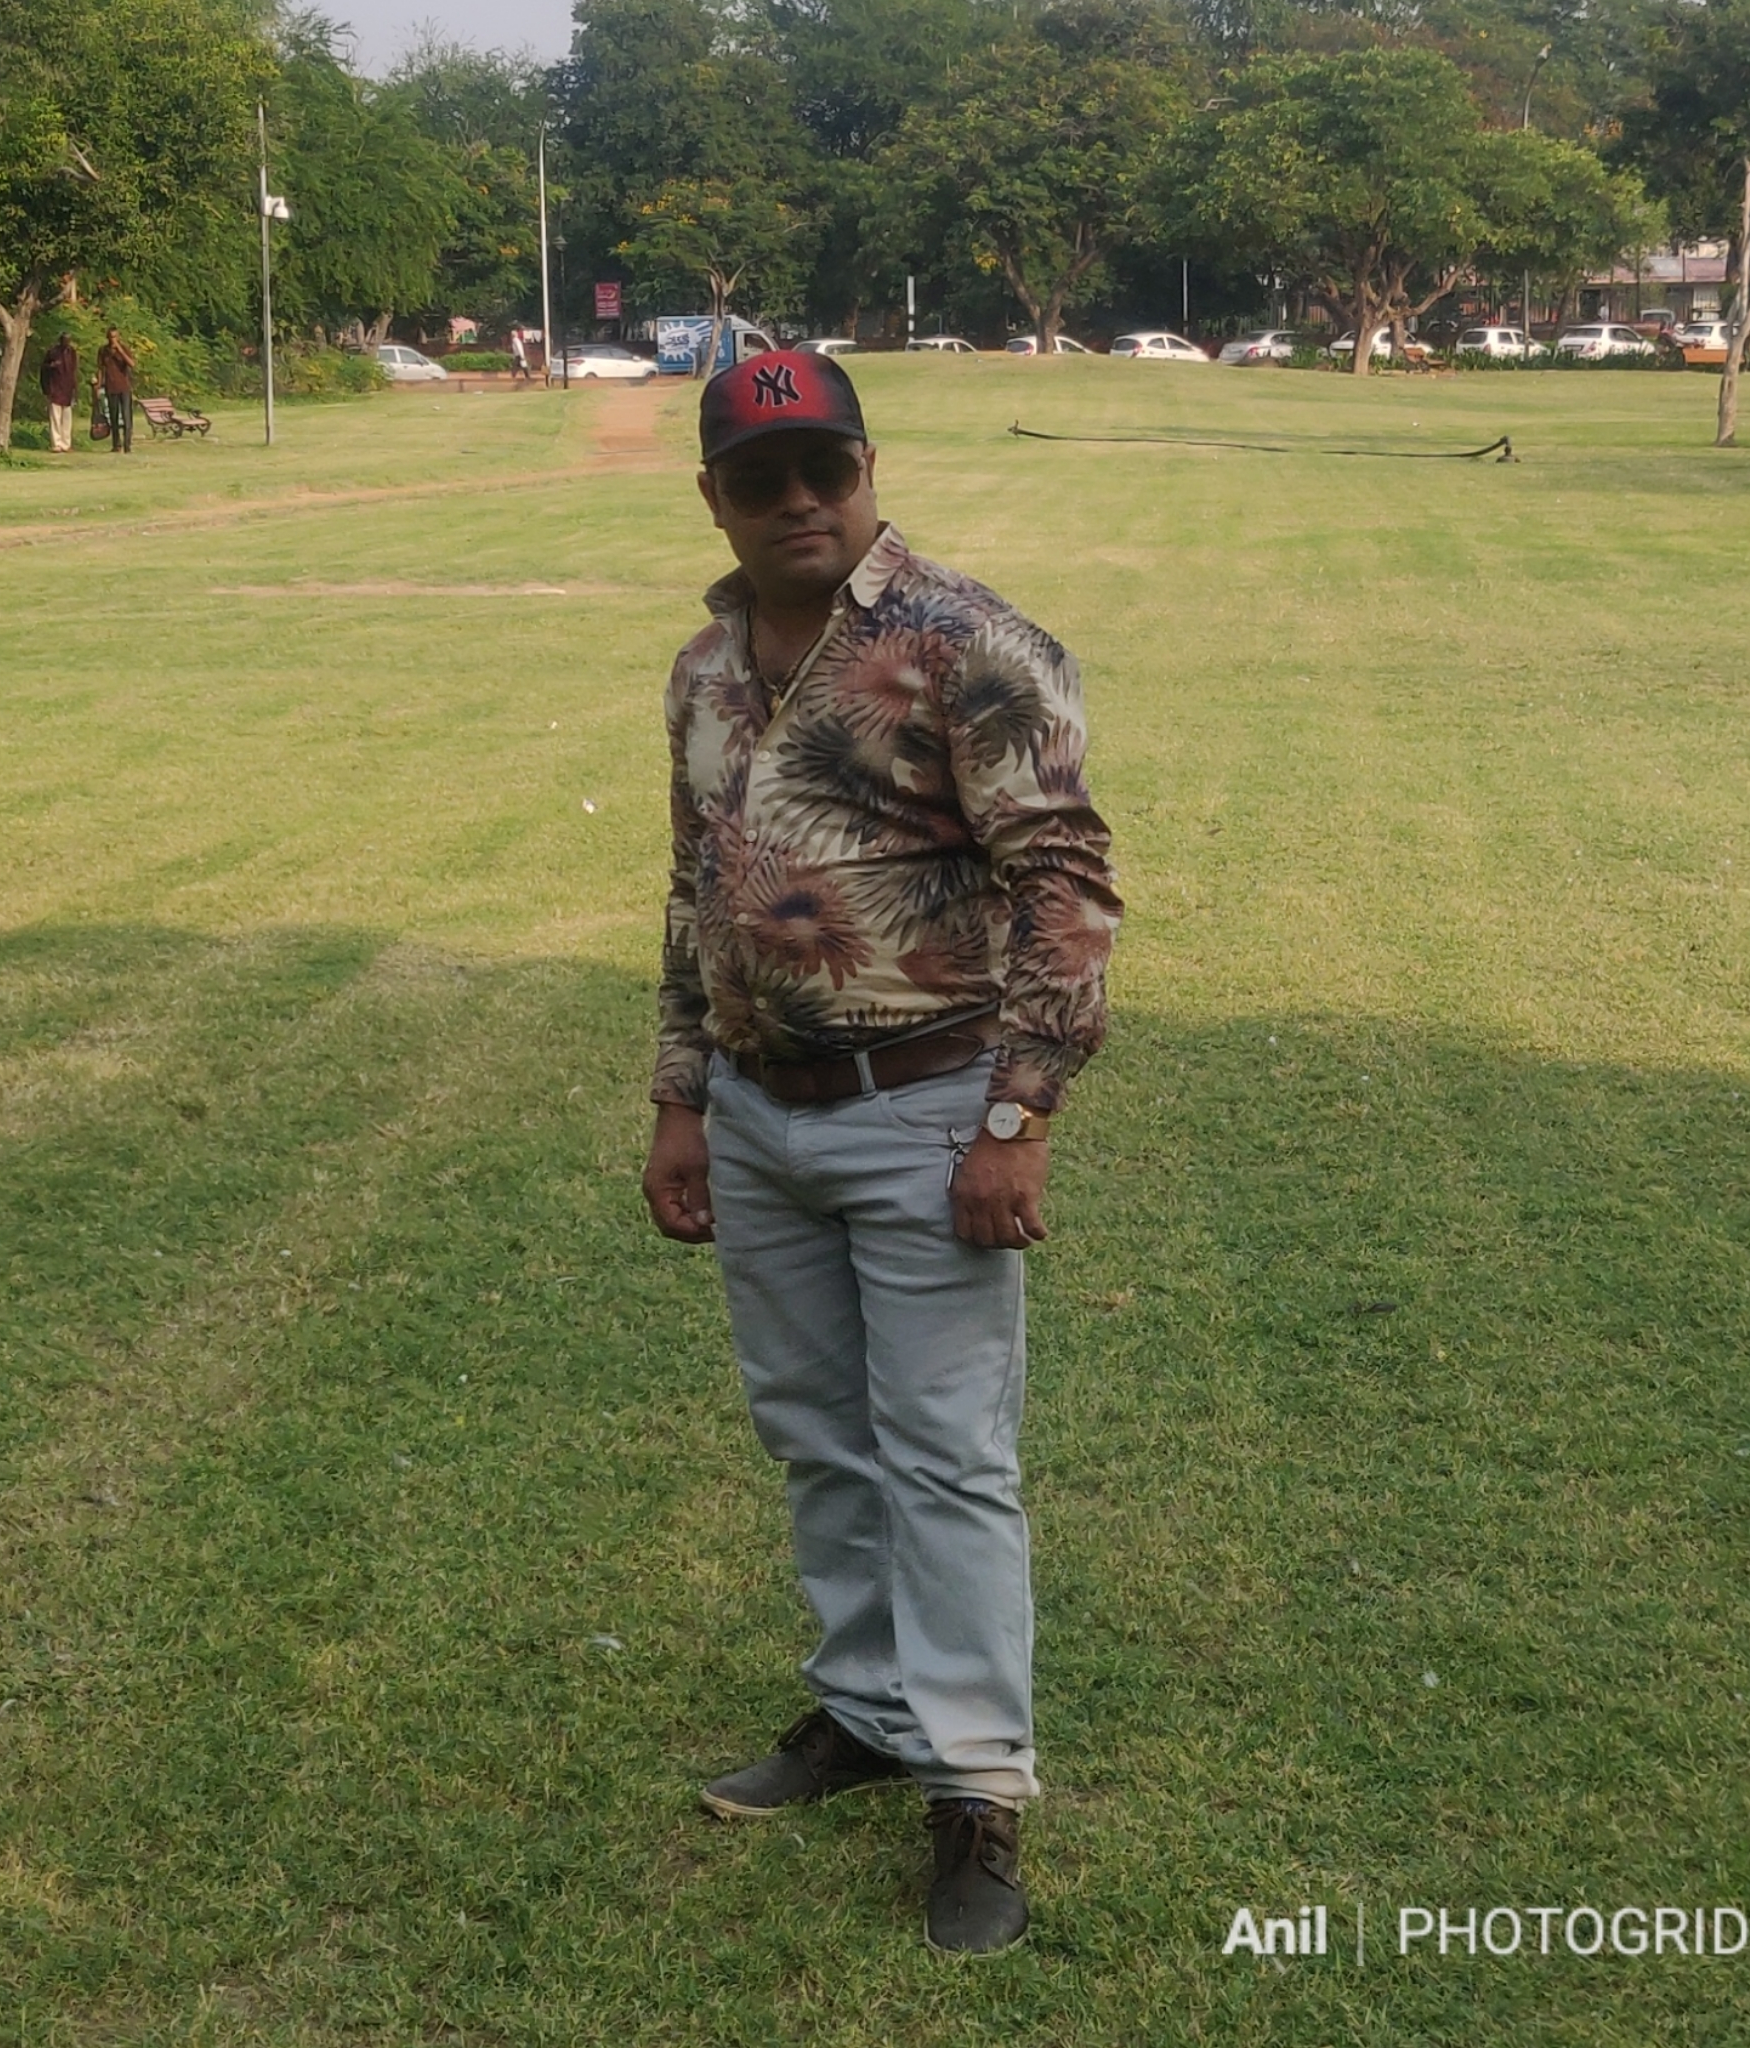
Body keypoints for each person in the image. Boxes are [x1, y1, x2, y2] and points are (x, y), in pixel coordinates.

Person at [641, 350, 1120, 1956]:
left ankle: (975, 1782)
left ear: (865, 470)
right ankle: (865, 1708)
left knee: (946, 1455)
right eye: (760, 477)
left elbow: (1066, 888)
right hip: (760, 1113)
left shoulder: (966, 647)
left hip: (931, 1111)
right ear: (713, 495)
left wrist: (1016, 1117)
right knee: (818, 1437)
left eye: (823, 469)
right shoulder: (705, 672)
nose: (798, 501)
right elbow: (694, 894)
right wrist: (681, 1097)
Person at [39, 332, 79, 453]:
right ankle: (56, 444)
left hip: (68, 388)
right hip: (55, 388)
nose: (66, 343)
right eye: (64, 340)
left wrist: (75, 389)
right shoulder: (53, 352)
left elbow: (74, 371)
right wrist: (52, 366)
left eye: (68, 340)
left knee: (67, 418)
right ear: (60, 340)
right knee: (55, 417)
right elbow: (43, 369)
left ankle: (66, 444)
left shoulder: (72, 353)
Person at [97, 327, 135, 453]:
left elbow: (132, 364)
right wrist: (98, 384)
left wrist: (120, 350)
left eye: (114, 337)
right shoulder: (103, 351)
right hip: (111, 387)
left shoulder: (124, 348)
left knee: (126, 416)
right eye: (110, 337)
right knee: (113, 417)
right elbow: (100, 368)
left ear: (118, 337)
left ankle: (127, 445)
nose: (112, 339)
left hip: (124, 387)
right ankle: (116, 444)